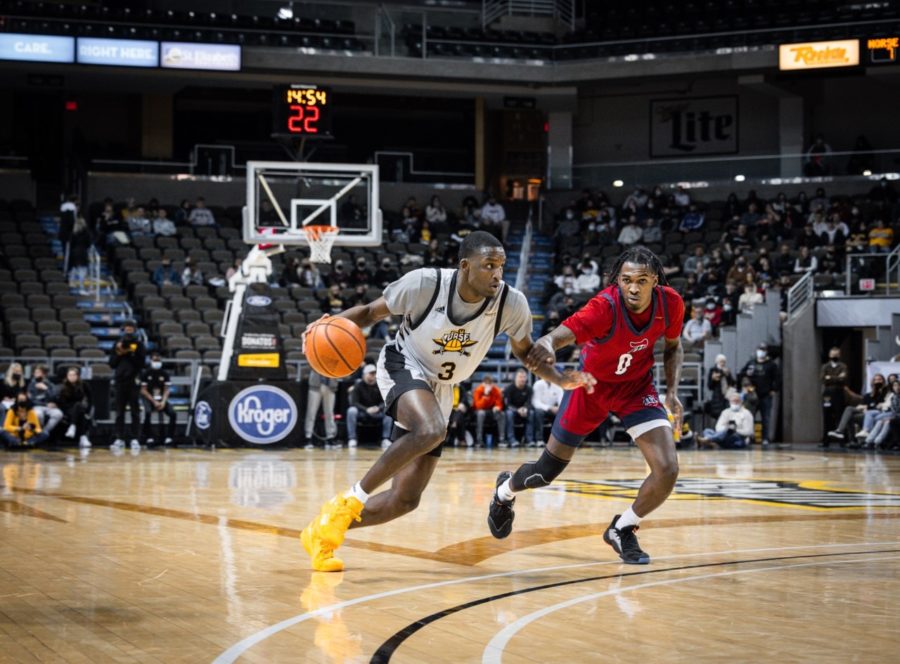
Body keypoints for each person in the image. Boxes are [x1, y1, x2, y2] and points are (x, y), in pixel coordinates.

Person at [300, 231, 594, 571]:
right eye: (489, 265)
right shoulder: (424, 284)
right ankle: (349, 500)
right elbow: (368, 313)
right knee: (431, 429)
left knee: (404, 500)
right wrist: (326, 325)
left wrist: (560, 379)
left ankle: (322, 531)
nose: (497, 274)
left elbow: (527, 353)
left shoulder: (512, 304)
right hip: (403, 364)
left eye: (501, 266)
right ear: (465, 266)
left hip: (441, 386)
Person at [489, 246, 685, 565]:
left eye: (642, 280)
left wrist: (672, 391)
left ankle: (622, 528)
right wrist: (547, 345)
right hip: (589, 387)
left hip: (636, 388)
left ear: (656, 280)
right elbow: (561, 334)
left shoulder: (671, 302)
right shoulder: (604, 306)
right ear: (617, 281)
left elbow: (674, 347)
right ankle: (504, 492)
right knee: (544, 473)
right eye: (626, 280)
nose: (634, 287)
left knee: (667, 469)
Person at [109, 321, 146, 451]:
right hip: (120, 381)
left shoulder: (139, 344)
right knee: (120, 412)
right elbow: (112, 363)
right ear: (123, 330)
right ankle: (119, 438)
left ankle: (135, 438)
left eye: (131, 329)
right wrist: (120, 353)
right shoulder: (117, 344)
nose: (129, 331)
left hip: (134, 381)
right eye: (127, 329)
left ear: (135, 330)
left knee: (135, 411)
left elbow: (141, 363)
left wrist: (130, 352)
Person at [827, 373, 886, 445]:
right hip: (866, 414)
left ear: (883, 381)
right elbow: (865, 404)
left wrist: (867, 407)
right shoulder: (868, 395)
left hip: (877, 414)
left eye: (879, 379)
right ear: (872, 382)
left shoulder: (885, 393)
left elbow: (881, 406)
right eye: (875, 380)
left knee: (853, 415)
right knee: (849, 410)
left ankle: (850, 438)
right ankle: (841, 432)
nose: (877, 381)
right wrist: (862, 407)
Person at [346, 364, 393, 450]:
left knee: (388, 411)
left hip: (377, 411)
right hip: (362, 412)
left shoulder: (380, 385)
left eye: (374, 373)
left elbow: (386, 401)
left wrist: (378, 408)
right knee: (351, 411)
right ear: (364, 375)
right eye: (371, 373)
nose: (373, 375)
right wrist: (366, 409)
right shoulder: (358, 385)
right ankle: (352, 439)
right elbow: (354, 402)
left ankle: (385, 439)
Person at [739, 344, 779, 446]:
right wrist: (746, 385)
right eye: (759, 349)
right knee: (749, 417)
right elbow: (741, 374)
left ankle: (765, 438)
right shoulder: (751, 363)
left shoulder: (771, 365)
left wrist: (774, 389)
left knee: (766, 418)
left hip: (765, 395)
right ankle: (749, 436)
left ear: (766, 352)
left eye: (763, 350)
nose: (761, 352)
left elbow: (777, 378)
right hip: (752, 396)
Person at [140, 352, 176, 445]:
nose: (157, 362)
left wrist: (163, 402)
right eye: (155, 360)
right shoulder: (146, 373)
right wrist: (154, 401)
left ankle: (169, 437)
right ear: (151, 360)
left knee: (172, 413)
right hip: (149, 398)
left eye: (158, 360)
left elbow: (166, 389)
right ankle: (149, 437)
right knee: (147, 412)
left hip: (161, 399)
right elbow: (143, 390)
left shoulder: (164, 374)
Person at [56, 366, 93, 448]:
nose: (71, 377)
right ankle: (83, 437)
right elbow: (62, 402)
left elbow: (90, 399)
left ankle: (72, 426)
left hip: (81, 408)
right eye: (69, 375)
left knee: (79, 406)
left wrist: (88, 411)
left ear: (77, 376)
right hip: (68, 409)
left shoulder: (84, 385)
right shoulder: (63, 386)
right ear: (67, 376)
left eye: (73, 375)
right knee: (80, 412)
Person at [819, 347, 848, 448]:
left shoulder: (843, 366)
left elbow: (843, 378)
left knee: (840, 416)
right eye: (833, 354)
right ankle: (825, 441)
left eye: (836, 355)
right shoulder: (825, 366)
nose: (834, 356)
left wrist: (830, 377)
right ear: (829, 355)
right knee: (827, 416)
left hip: (839, 393)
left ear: (839, 355)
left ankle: (842, 441)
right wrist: (837, 377)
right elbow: (823, 379)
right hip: (827, 393)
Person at [304, 370, 338, 449]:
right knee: (311, 412)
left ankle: (330, 437)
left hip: (330, 385)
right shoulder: (315, 357)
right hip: (316, 385)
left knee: (329, 413)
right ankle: (308, 437)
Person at [26, 365, 63, 439]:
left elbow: (54, 397)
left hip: (49, 407)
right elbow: (31, 400)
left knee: (58, 414)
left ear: (44, 374)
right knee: (39, 414)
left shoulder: (49, 384)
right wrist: (45, 404)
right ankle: (39, 431)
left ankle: (45, 432)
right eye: (35, 372)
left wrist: (46, 388)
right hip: (37, 406)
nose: (35, 374)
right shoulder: (31, 384)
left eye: (38, 372)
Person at [503, 369, 534, 448]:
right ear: (515, 378)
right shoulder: (509, 389)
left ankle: (529, 440)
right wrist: (517, 410)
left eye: (524, 377)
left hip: (523, 411)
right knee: (509, 413)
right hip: (513, 410)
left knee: (531, 413)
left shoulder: (529, 389)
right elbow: (507, 404)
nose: (522, 379)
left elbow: (529, 402)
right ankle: (511, 439)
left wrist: (526, 408)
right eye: (520, 377)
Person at [473, 374, 505, 447]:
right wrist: (485, 395)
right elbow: (478, 406)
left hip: (491, 411)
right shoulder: (478, 390)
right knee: (480, 413)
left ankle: (501, 439)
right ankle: (479, 440)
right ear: (483, 383)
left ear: (492, 384)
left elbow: (499, 403)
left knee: (501, 414)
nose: (488, 386)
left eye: (490, 384)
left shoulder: (496, 390)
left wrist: (497, 407)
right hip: (480, 410)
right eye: (486, 384)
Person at [531, 376, 563, 448]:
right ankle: (539, 440)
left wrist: (559, 408)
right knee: (539, 412)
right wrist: (549, 408)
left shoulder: (557, 385)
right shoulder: (537, 384)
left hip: (553, 409)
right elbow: (535, 402)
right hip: (541, 409)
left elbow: (562, 400)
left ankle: (558, 440)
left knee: (562, 413)